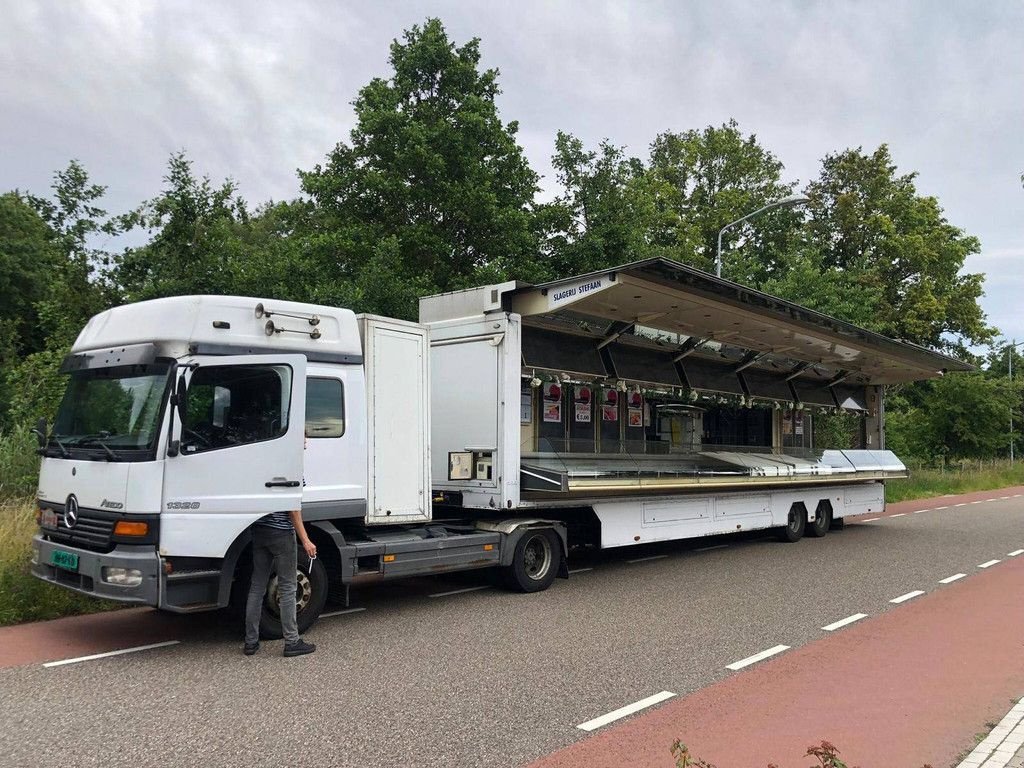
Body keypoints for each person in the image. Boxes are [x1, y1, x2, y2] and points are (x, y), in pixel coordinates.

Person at [243, 509, 318, 657]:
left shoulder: (256, 483)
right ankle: (292, 642)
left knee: (257, 587)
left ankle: (250, 641)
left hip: (259, 530)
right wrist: (305, 540)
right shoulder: (290, 483)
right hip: (282, 533)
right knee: (288, 588)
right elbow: (294, 509)